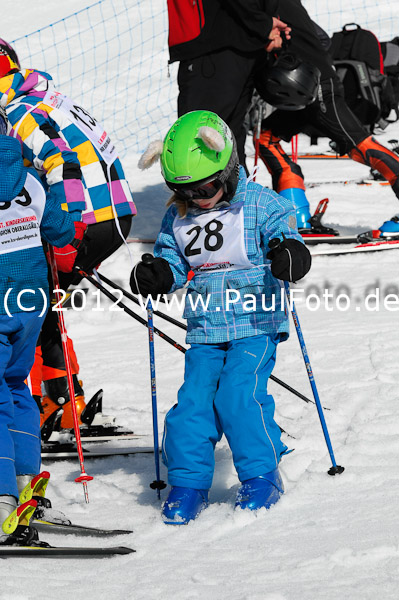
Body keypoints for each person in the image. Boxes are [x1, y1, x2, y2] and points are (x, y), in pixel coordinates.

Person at [130, 110, 311, 523]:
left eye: (208, 186)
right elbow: (172, 258)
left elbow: (288, 234)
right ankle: (189, 482)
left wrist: (290, 254)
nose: (199, 197)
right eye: (186, 190)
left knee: (237, 395)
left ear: (228, 167)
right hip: (206, 327)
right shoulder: (179, 216)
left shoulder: (261, 203)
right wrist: (159, 272)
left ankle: (261, 475)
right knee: (193, 403)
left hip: (256, 323)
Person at [0, 38, 137, 431]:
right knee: (38, 302)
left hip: (85, 217)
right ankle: (61, 399)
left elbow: (64, 159)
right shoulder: (47, 98)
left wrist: (66, 222)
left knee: (28, 301)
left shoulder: (19, 111)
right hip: (112, 211)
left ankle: (58, 402)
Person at [253, 0, 399, 240]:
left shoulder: (270, 5)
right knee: (266, 139)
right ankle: (296, 216)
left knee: (358, 146)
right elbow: (323, 39)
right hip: (301, 88)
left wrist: (301, 59)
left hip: (318, 85)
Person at [0, 130, 75, 544]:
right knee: (14, 387)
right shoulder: (28, 178)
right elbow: (62, 230)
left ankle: (2, 500)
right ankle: (27, 485)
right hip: (29, 304)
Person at [167, 0, 291, 167]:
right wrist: (264, 26)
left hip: (221, 46)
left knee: (211, 139)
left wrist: (265, 26)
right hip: (223, 45)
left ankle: (230, 192)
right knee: (213, 139)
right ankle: (224, 192)